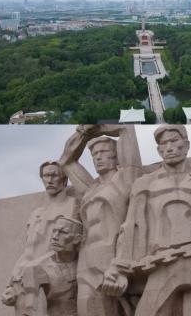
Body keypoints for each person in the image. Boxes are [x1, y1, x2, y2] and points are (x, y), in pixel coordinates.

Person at [101, 125, 191, 316]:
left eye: (174, 141)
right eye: (164, 143)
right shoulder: (144, 183)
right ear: (159, 150)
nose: (170, 147)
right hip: (162, 262)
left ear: (186, 145)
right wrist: (119, 268)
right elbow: (132, 225)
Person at [58, 124, 142, 316]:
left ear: (116, 156)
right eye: (94, 154)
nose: (98, 157)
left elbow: (127, 130)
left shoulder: (127, 177)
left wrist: (100, 127)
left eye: (103, 152)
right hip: (87, 261)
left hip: (114, 256)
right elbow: (65, 162)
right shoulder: (90, 188)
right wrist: (83, 133)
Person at [2, 162, 80, 315]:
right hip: (34, 274)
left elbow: (74, 243)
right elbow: (28, 251)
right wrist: (10, 284)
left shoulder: (73, 206)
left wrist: (29, 270)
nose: (49, 180)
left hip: (61, 270)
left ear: (64, 180)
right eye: (45, 176)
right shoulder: (37, 213)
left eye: (54, 175)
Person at [18, 216, 83, 316]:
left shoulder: (85, 262)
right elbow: (28, 310)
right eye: (54, 231)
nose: (55, 236)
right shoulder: (36, 268)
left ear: (77, 239)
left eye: (63, 232)